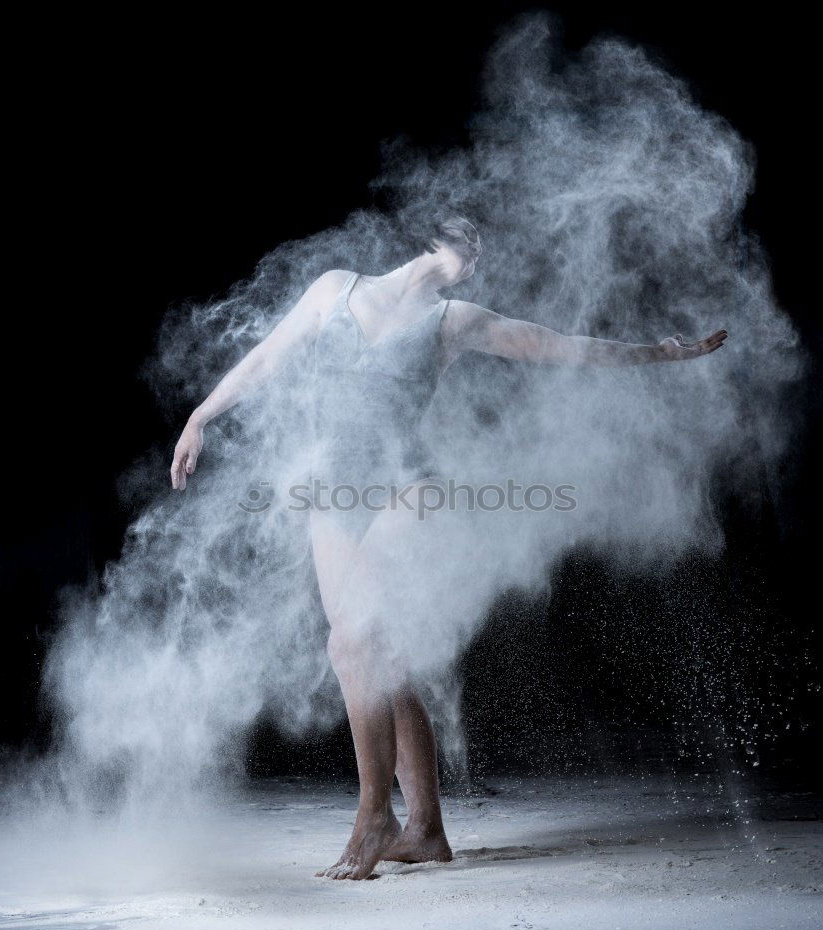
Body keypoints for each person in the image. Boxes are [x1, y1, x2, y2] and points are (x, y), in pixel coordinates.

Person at [170, 215, 727, 879]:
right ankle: (426, 828)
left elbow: (559, 346)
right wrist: (200, 417)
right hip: (333, 493)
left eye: (479, 251)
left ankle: (375, 817)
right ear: (434, 240)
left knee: (352, 644)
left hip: (408, 488)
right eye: (469, 244)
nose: (474, 258)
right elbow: (266, 358)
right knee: (378, 658)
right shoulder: (333, 290)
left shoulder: (454, 319)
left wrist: (658, 353)